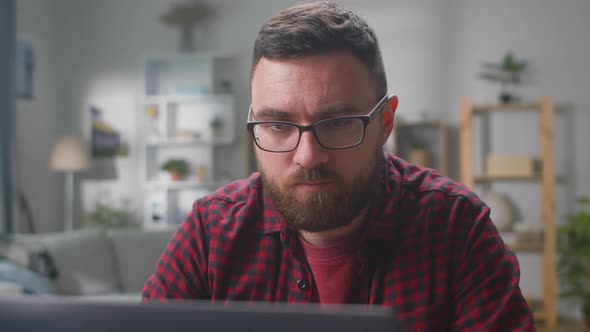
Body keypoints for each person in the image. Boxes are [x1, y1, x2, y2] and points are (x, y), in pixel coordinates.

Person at [143, 2, 534, 330]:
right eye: (278, 125)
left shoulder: (456, 227)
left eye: (339, 122)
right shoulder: (211, 233)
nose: (308, 155)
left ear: (385, 122)